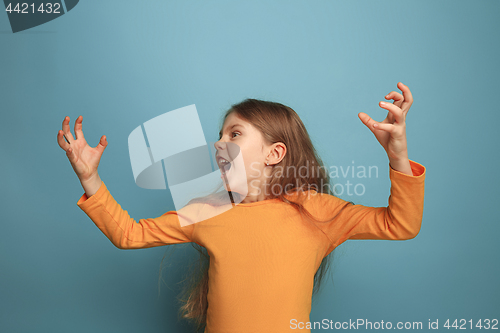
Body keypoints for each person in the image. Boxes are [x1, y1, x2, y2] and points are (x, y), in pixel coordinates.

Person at [56, 82, 425, 333]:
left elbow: (401, 224)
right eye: (219, 135)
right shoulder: (207, 211)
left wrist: (398, 155)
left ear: (274, 153)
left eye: (234, 134)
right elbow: (129, 234)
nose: (219, 143)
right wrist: (90, 178)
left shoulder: (317, 210)